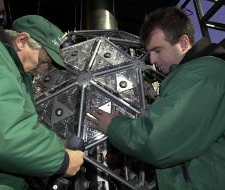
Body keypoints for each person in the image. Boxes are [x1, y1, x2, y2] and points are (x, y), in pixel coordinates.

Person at [88, 7, 225, 190]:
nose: (152, 59)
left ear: (183, 43)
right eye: (149, 51)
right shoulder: (190, 76)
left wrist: (114, 125)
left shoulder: (203, 75)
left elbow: (158, 141)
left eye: (157, 50)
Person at [0, 15, 84, 190]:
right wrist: (63, 160)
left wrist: (55, 143)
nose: (42, 71)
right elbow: (6, 133)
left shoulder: (9, 68)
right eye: (43, 62)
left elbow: (16, 119)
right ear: (22, 41)